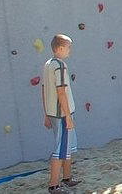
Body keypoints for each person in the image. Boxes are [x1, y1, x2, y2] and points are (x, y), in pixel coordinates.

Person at [41, 34, 83, 194]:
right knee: (60, 148)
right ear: (59, 48)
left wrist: (46, 113)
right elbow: (61, 92)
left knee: (67, 147)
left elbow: (44, 89)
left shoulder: (47, 65)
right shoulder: (60, 66)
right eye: (68, 47)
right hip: (61, 114)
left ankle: (67, 177)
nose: (70, 50)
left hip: (53, 113)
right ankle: (53, 185)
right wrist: (67, 116)